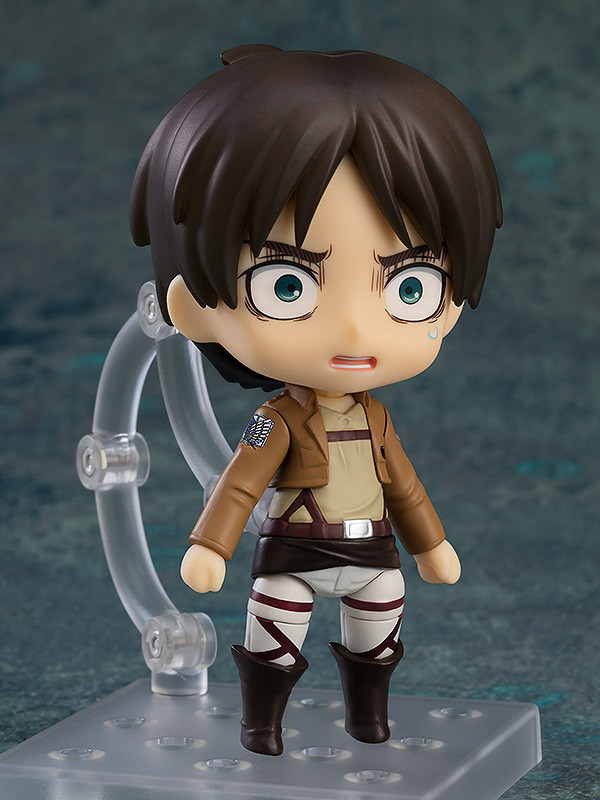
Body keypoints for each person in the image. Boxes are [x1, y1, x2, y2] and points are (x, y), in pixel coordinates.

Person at [130, 44, 502, 755]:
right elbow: (241, 484)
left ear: (451, 304)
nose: (356, 329)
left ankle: (369, 715)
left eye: (411, 286)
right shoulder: (277, 418)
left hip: (372, 549)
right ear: (196, 307)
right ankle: (261, 723)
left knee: (379, 630)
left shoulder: (375, 418)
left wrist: (431, 543)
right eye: (288, 285)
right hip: (294, 550)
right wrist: (211, 546)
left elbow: (405, 486)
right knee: (275, 634)